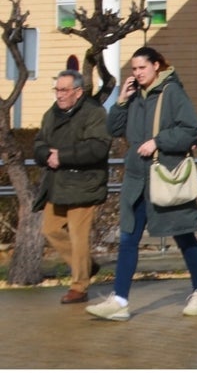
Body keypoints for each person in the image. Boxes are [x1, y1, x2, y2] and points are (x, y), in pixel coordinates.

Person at [86, 46, 197, 321]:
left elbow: (191, 130)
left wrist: (158, 141)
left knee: (183, 234)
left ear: (157, 66)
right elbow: (113, 130)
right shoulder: (134, 96)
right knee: (128, 238)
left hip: (166, 177)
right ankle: (120, 300)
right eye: (133, 69)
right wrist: (121, 100)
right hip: (136, 180)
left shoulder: (172, 93)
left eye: (142, 67)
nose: (137, 73)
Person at [33, 69, 111, 304]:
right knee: (49, 229)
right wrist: (46, 154)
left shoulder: (94, 113)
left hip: (84, 184)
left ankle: (79, 286)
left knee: (78, 236)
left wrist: (62, 156)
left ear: (78, 92)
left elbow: (98, 148)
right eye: (57, 89)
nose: (59, 95)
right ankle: (86, 265)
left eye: (64, 90)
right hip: (57, 184)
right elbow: (39, 142)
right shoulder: (51, 114)